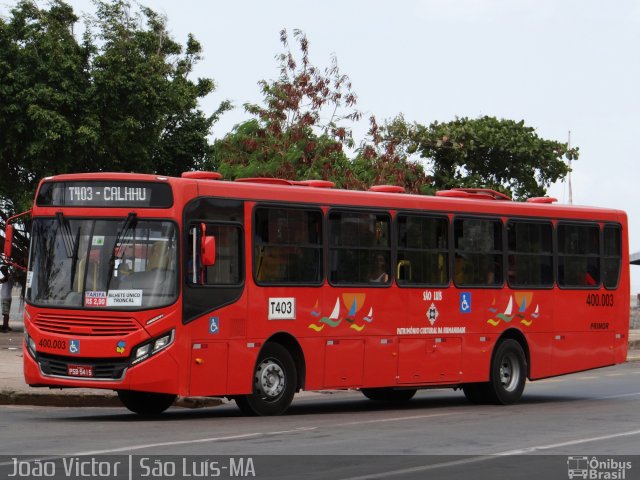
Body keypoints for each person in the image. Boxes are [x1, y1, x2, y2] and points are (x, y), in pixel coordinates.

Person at [0, 265, 14, 332]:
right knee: (7, 313)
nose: (2, 273)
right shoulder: (10, 277)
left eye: (2, 271)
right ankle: (6, 326)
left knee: (5, 313)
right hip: (8, 297)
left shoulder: (7, 277)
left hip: (5, 297)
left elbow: (2, 280)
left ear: (4, 271)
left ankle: (5, 327)